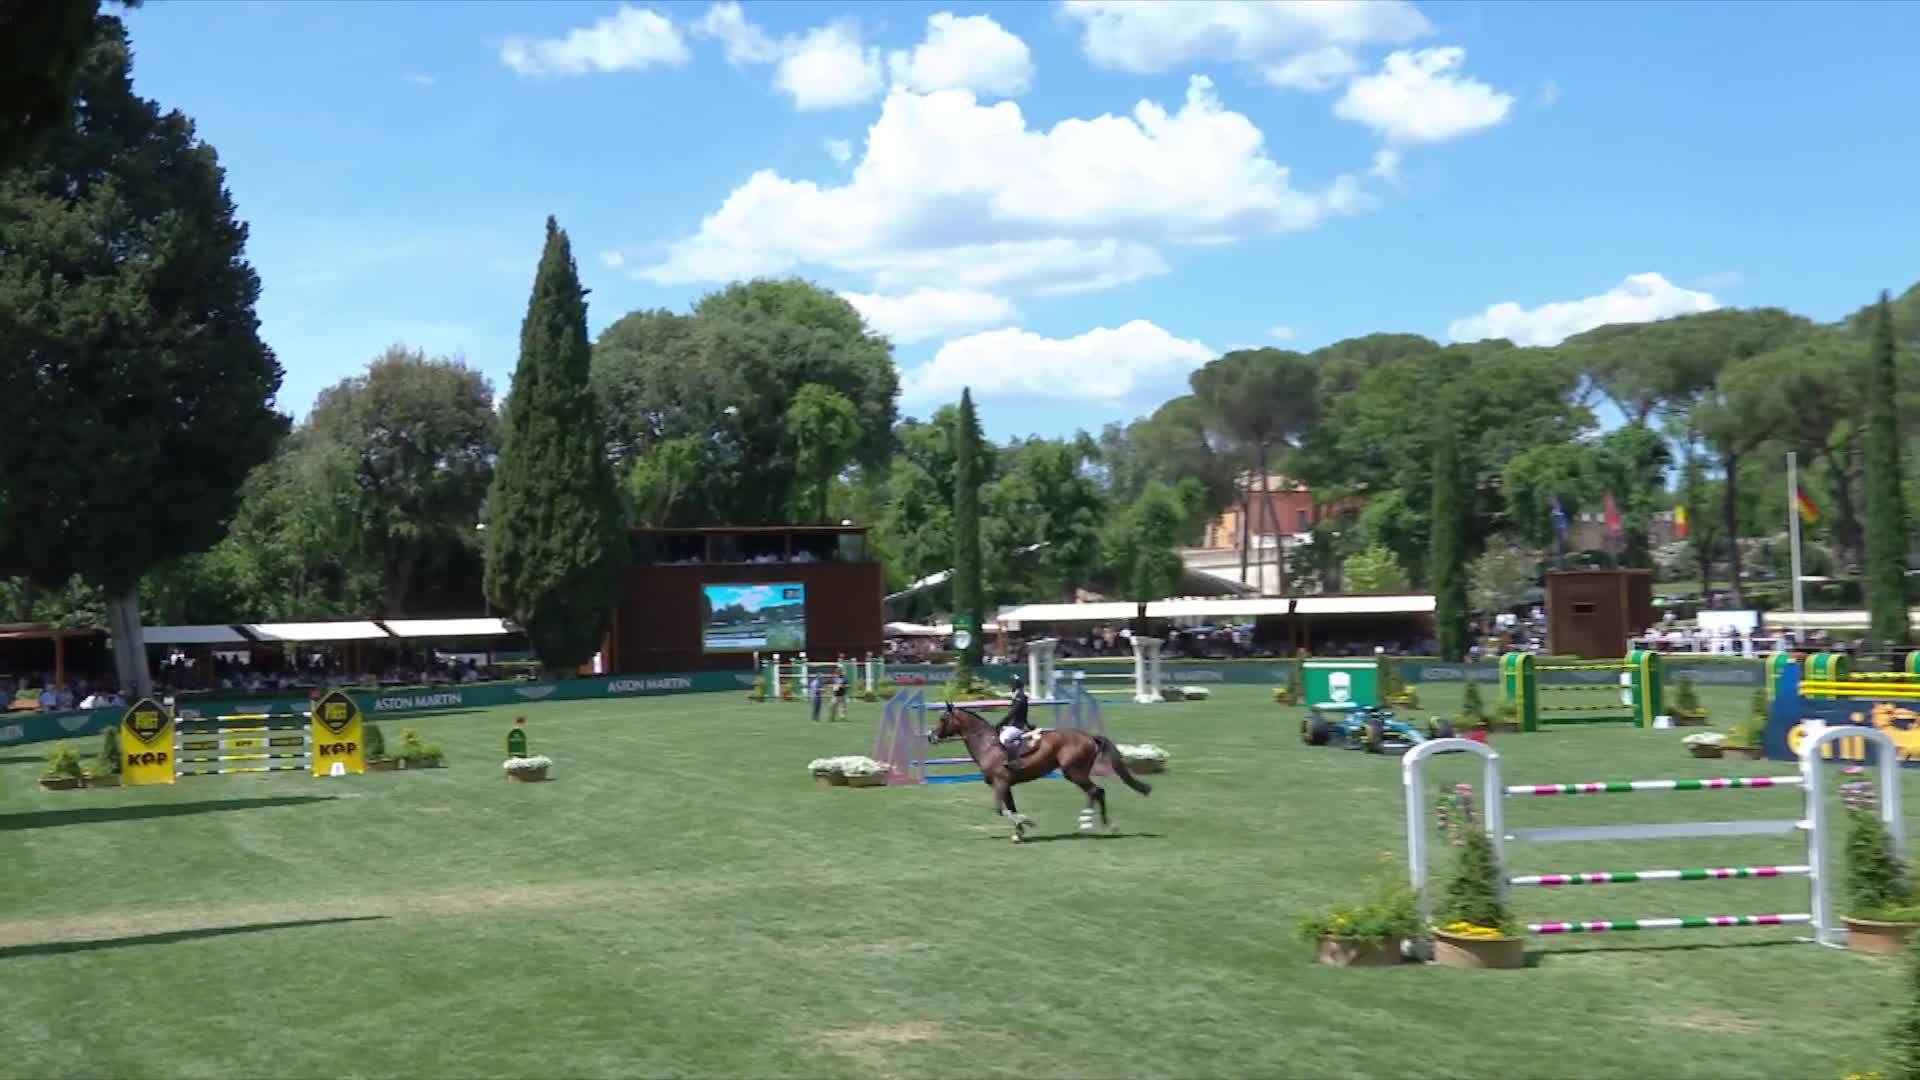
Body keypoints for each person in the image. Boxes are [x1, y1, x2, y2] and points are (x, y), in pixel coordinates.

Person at [996, 674, 1035, 763]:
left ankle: (1014, 760)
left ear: (1015, 685)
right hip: (1015, 724)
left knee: (1003, 739)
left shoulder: (1020, 696)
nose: (1010, 685)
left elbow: (1013, 712)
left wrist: (1001, 723)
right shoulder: (1017, 694)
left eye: (1012, 684)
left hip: (1018, 726)